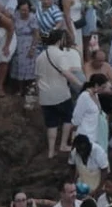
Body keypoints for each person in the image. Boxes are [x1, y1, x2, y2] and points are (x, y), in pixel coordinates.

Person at [35, 30, 82, 158]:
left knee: (51, 123)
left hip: (45, 96)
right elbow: (67, 73)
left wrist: (39, 95)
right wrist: (81, 85)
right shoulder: (60, 55)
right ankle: (63, 144)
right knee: (68, 117)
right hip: (60, 93)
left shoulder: (40, 56)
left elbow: (37, 78)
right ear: (60, 40)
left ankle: (51, 151)